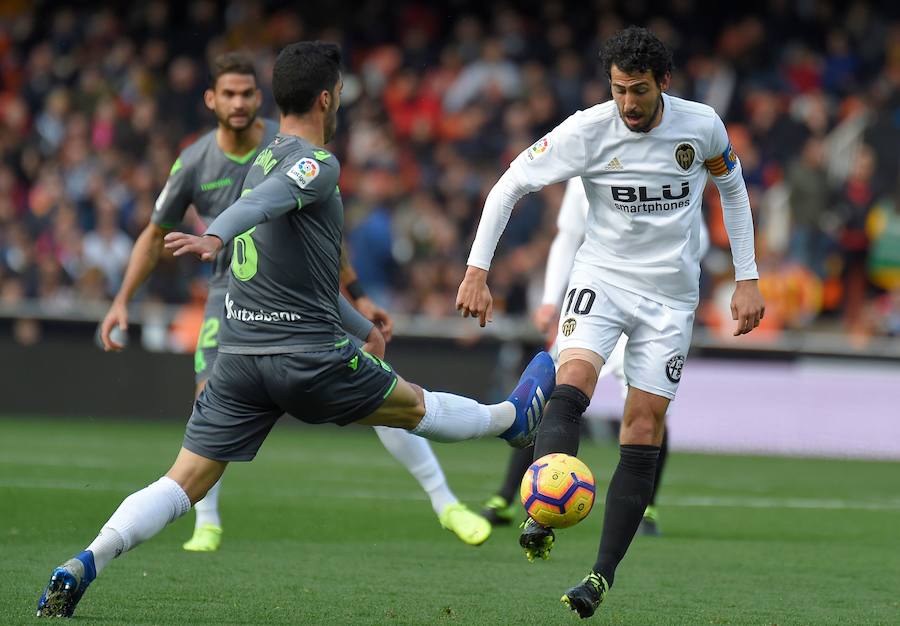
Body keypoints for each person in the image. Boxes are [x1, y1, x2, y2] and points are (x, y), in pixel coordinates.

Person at [37, 41, 554, 619]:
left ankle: (87, 560)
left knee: (182, 482)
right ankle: (513, 420)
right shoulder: (317, 163)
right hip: (307, 356)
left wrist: (358, 319)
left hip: (241, 359)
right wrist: (216, 234)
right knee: (415, 408)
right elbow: (267, 203)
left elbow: (298, 267)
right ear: (328, 99)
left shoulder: (260, 156)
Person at [100, 52, 489, 553]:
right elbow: (155, 234)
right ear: (211, 100)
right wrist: (121, 300)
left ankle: (444, 500)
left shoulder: (281, 146)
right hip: (229, 296)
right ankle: (206, 521)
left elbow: (325, 238)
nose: (239, 103)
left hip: (302, 297)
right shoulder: (195, 161)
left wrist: (360, 294)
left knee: (379, 386)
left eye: (247, 93)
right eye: (229, 94)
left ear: (262, 98)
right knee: (208, 399)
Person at [456, 27, 764, 618]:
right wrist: (477, 270)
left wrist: (747, 277)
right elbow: (511, 183)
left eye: (639, 90)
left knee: (643, 427)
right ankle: (542, 511)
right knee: (571, 386)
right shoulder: (587, 129)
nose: (627, 103)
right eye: (619, 89)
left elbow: (733, 188)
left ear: (664, 84)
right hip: (601, 279)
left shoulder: (701, 126)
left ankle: (599, 576)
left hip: (671, 300)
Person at [482, 178, 711, 536]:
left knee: (646, 413)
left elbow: (700, 239)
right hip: (596, 304)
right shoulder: (586, 167)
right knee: (549, 396)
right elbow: (567, 237)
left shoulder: (667, 169)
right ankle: (513, 498)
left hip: (650, 308)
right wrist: (549, 300)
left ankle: (645, 505)